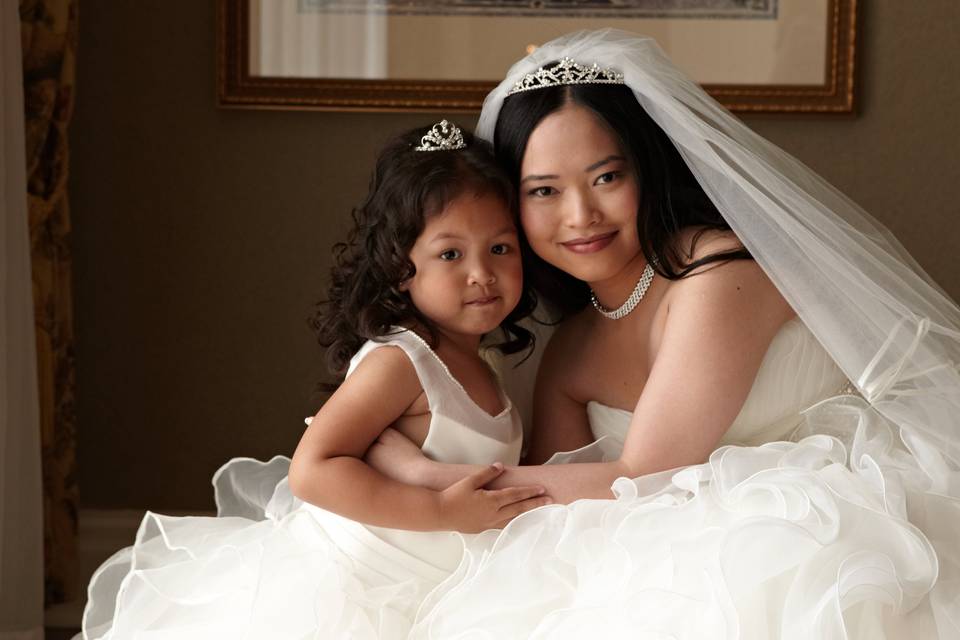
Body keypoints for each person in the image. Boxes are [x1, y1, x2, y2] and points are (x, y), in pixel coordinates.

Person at [364, 30, 960, 638]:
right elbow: (545, 512)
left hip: (825, 532)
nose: (580, 216)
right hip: (682, 561)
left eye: (605, 178)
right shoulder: (572, 348)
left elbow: (644, 472)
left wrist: (424, 478)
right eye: (544, 190)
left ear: (647, 171)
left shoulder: (721, 272)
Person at [79, 121, 551, 640]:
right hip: (356, 593)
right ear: (401, 268)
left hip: (438, 594)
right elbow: (313, 468)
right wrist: (440, 509)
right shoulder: (403, 361)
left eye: (500, 249)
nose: (481, 273)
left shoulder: (485, 368)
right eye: (450, 254)